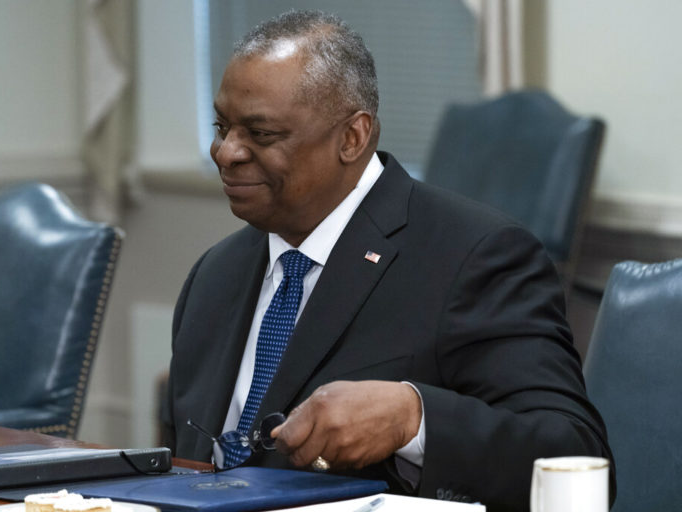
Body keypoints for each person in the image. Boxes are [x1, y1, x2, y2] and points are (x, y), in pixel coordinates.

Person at [164, 10, 614, 511]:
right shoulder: (215, 274)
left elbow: (573, 453)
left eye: (261, 134)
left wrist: (413, 419)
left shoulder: (476, 257)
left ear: (352, 138)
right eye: (222, 127)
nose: (226, 152)